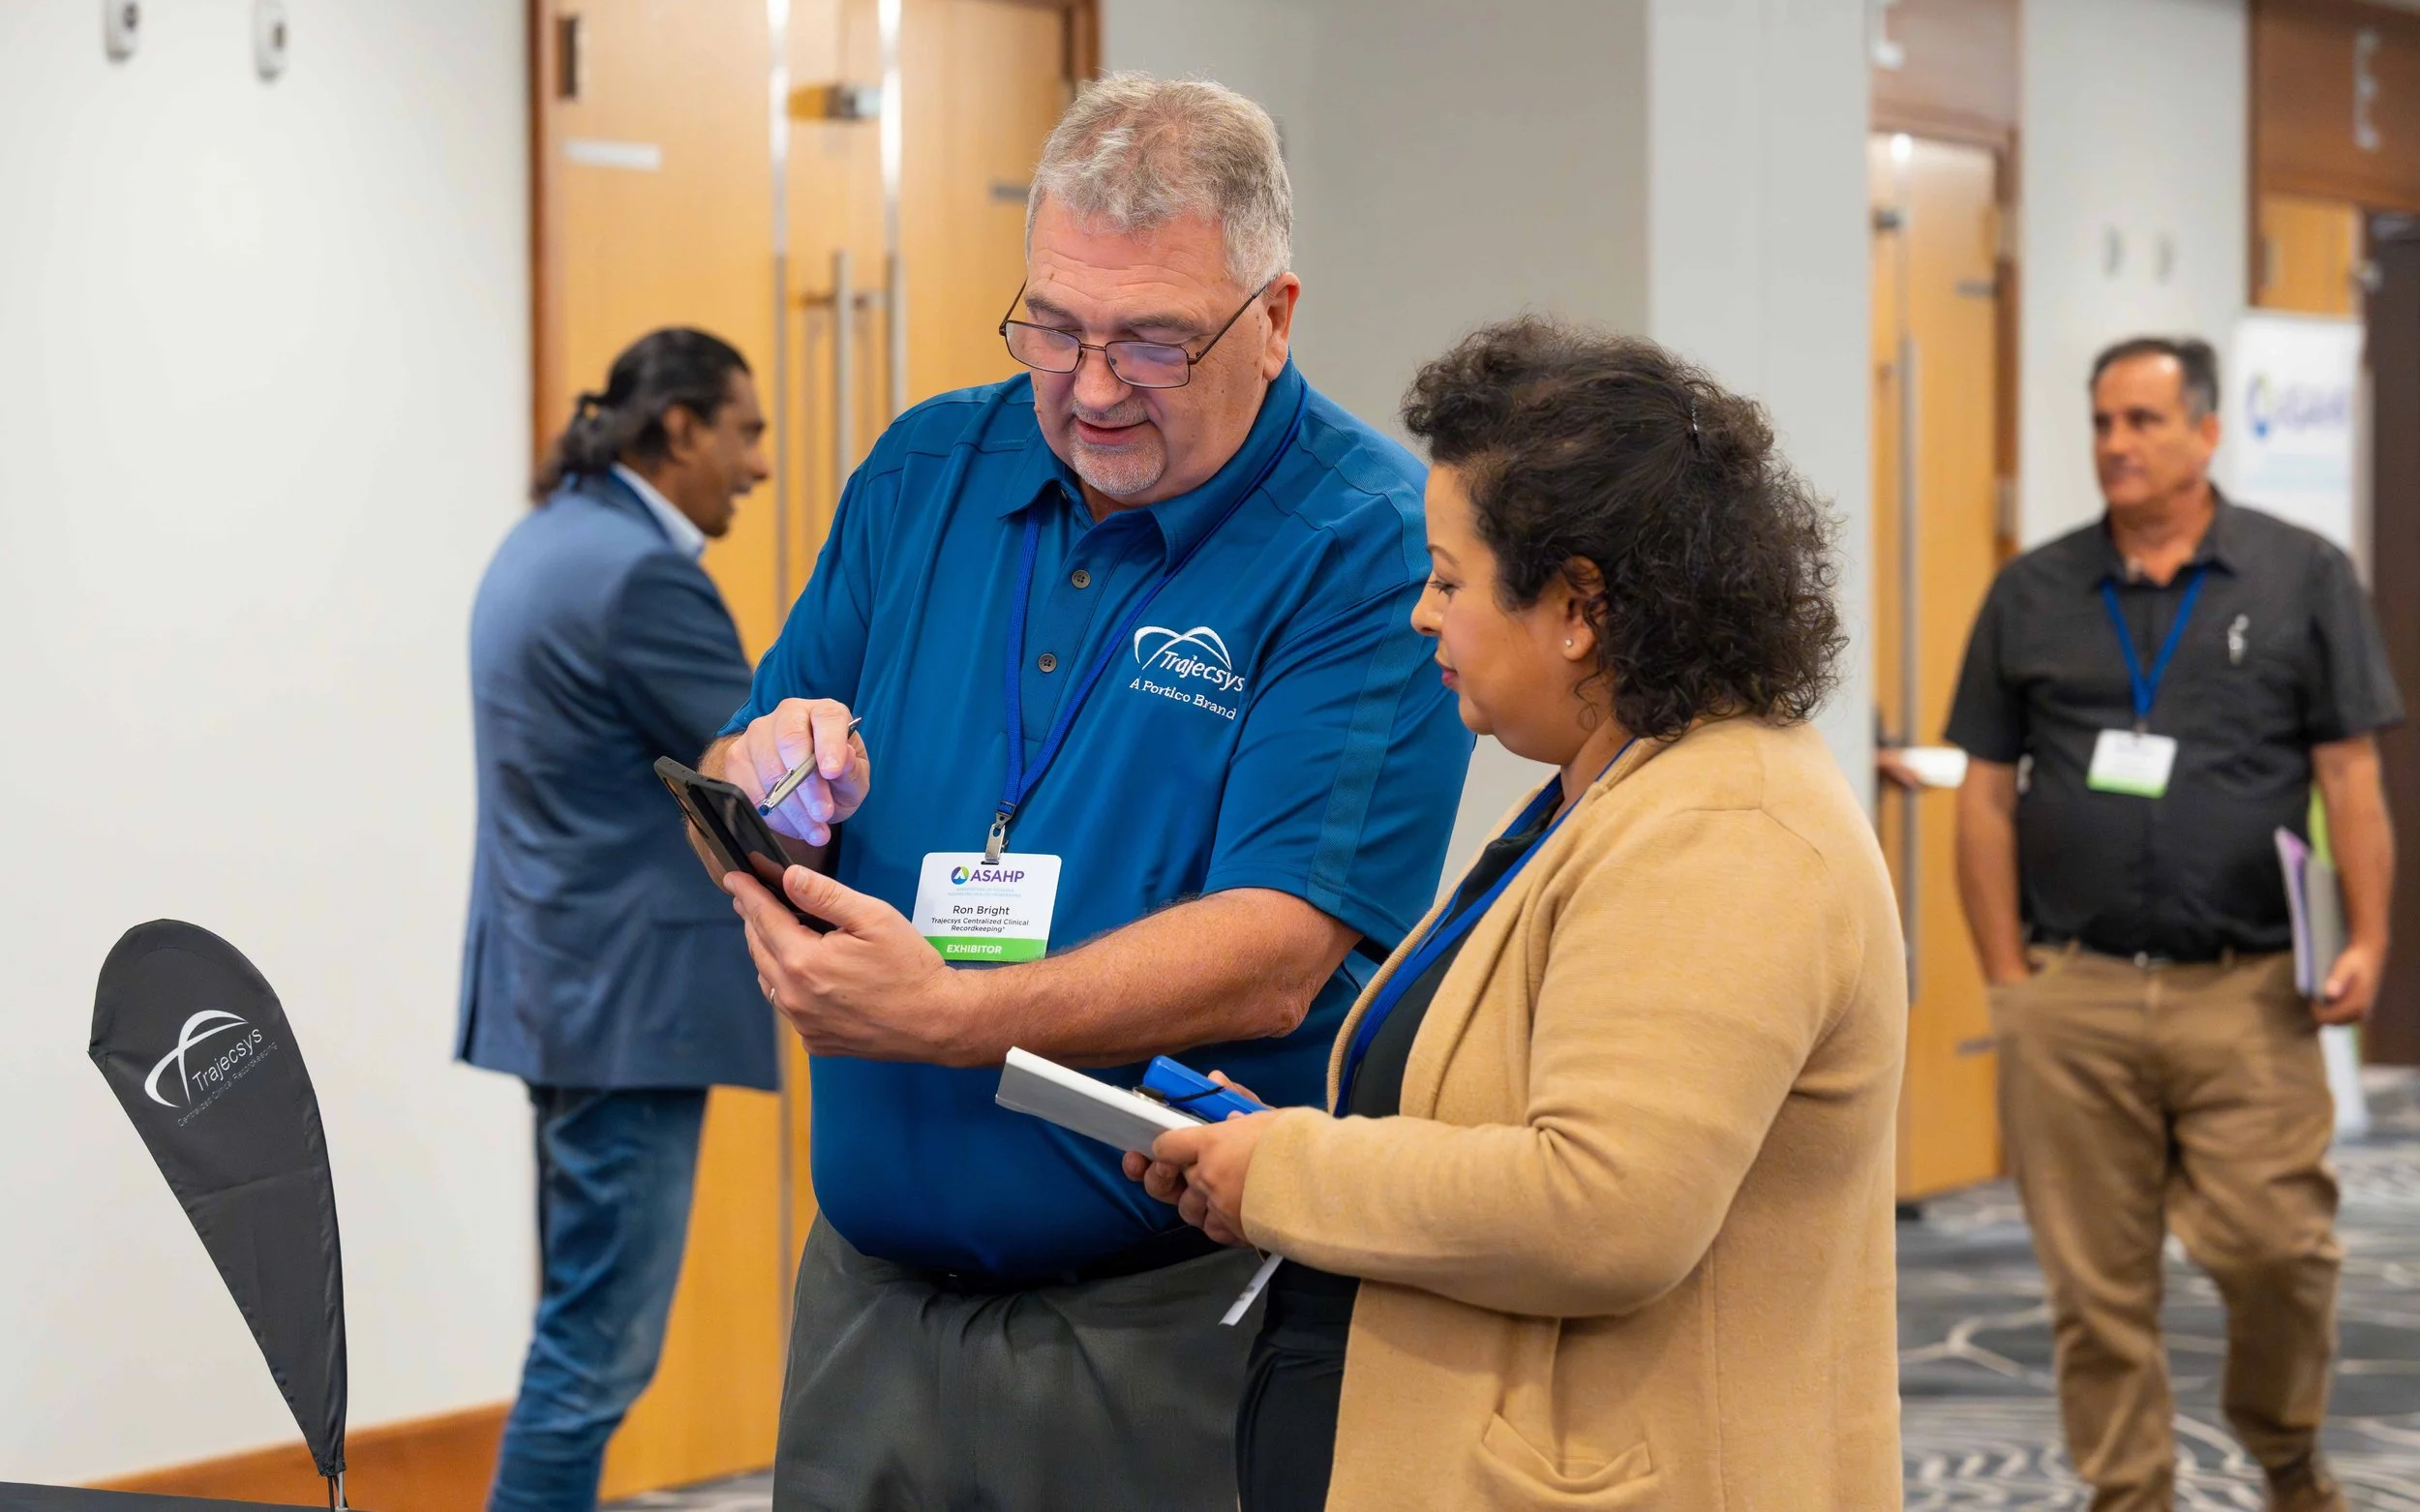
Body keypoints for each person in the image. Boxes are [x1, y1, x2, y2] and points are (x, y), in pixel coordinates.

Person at [706, 76, 1472, 1511]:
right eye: (1053, 325)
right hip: (868, 1301)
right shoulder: (932, 463)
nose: (1094, 383)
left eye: (1154, 339)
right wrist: (771, 774)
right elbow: (753, 750)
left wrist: (953, 1012)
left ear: (1276, 315)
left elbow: (1283, 949)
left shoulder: (1367, 541)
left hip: (1162, 1321)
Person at [1127, 319, 1910, 1510]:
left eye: (1447, 579)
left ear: (1578, 604)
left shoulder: (1727, 827)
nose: (1421, 617)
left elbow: (1604, 1210)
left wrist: (1289, 1168)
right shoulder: (1616, 790)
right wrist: (1274, 1145)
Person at [1946, 336, 2402, 1512]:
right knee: (2093, 1286)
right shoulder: (2031, 592)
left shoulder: (2301, 576)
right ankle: (2130, 1491)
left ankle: (2286, 1449)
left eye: (2143, 421)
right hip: (2073, 988)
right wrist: (2009, 977)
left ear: (2205, 431)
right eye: (2102, 422)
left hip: (2246, 988)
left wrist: (2367, 939)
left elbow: (2349, 777)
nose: (2115, 445)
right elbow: (1985, 797)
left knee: (2277, 1250)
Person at [459, 327, 773, 1512]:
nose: (757, 465)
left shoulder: (544, 540)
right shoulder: (641, 574)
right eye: (745, 432)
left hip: (555, 991)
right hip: (626, 1012)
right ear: (681, 426)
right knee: (595, 1357)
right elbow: (763, 782)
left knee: (575, 1335)